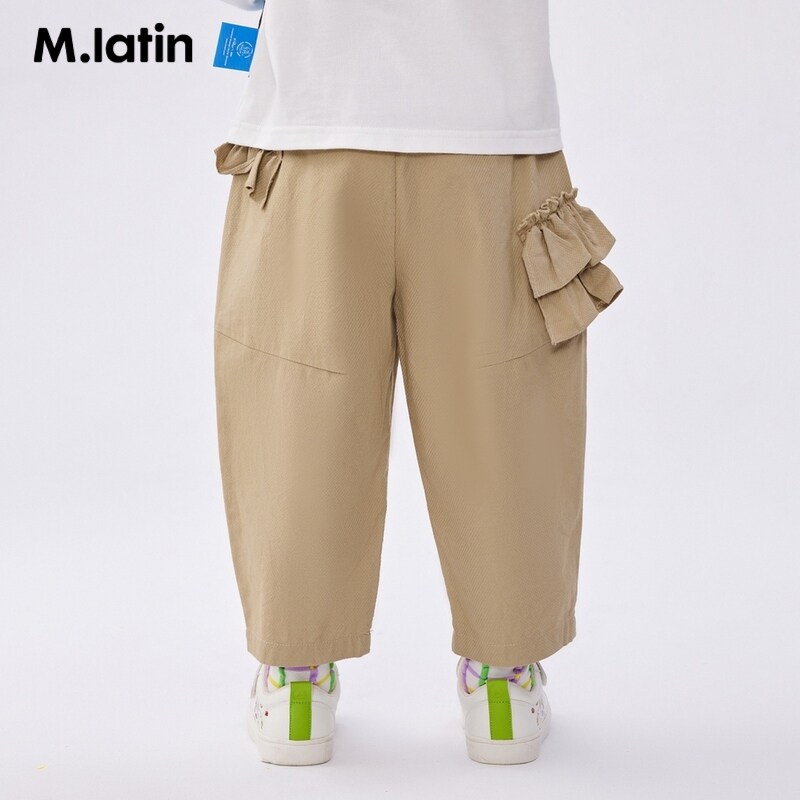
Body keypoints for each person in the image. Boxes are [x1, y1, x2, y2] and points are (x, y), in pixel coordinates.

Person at [213, 0, 623, 767]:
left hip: (314, 125)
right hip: (487, 121)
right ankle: (503, 683)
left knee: (297, 415)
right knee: (502, 414)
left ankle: (296, 683)